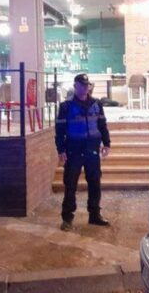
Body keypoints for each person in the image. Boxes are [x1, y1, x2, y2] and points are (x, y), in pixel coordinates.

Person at [55, 73, 111, 231]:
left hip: (92, 148)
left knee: (95, 182)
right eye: (82, 85)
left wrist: (107, 143)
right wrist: (61, 149)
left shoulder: (96, 104)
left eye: (87, 85)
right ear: (75, 86)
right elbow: (59, 130)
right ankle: (67, 218)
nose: (85, 88)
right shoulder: (66, 107)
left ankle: (94, 215)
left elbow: (102, 125)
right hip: (74, 149)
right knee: (70, 184)